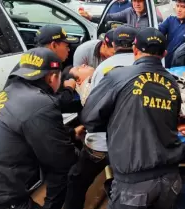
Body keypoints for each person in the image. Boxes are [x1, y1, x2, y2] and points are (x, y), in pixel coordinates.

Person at [80, 28, 183, 209]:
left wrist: (117, 121)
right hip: (170, 180)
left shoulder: (118, 75)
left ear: (135, 50)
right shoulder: (172, 83)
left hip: (134, 185)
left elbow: (89, 117)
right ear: (165, 54)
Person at [0, 48, 78, 209]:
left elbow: (26, 130)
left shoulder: (5, 94)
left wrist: (70, 133)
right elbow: (61, 159)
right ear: (52, 77)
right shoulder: (41, 103)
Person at [63, 26, 138, 209]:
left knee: (77, 179)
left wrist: (85, 125)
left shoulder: (104, 69)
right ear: (135, 46)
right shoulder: (144, 65)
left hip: (103, 143)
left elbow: (93, 112)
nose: (84, 66)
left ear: (113, 45)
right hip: (135, 143)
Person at [159, 0, 185, 68]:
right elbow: (157, 33)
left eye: (183, 7)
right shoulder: (170, 20)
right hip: (166, 65)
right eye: (177, 6)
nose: (179, 10)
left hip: (183, 68)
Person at [80, 0, 150, 28]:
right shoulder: (129, 11)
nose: (137, 4)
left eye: (140, 1)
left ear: (146, 2)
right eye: (134, 1)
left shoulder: (153, 17)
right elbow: (110, 17)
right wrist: (90, 17)